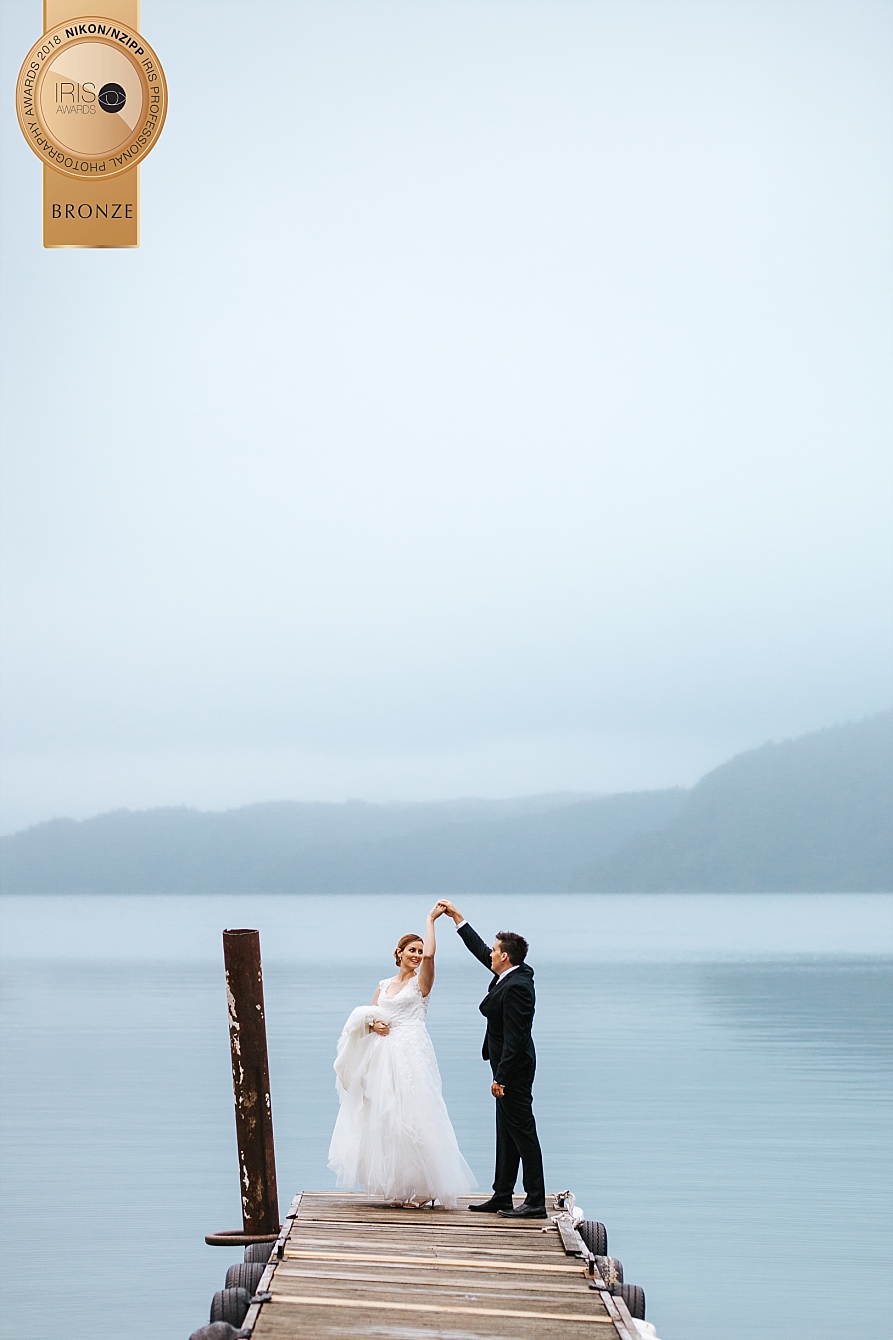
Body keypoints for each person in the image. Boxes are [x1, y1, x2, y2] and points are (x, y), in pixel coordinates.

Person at [327, 904, 476, 1208]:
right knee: (386, 1117)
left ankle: (426, 1187)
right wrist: (373, 1024)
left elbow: (432, 956)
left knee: (417, 1114)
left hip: (412, 1051)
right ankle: (400, 1185)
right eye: (411, 949)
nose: (417, 955)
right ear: (398, 953)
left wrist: (431, 920)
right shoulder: (383, 985)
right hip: (383, 1056)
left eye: (420, 950)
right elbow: (371, 1016)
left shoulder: (421, 982)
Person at [436, 900, 546, 1218]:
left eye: (495, 950)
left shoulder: (518, 988)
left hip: (514, 1069)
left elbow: (516, 1037)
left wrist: (502, 1078)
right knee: (506, 1130)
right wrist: (458, 919)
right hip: (505, 1066)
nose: (491, 953)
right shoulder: (509, 974)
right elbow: (480, 949)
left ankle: (536, 1200)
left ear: (505, 956)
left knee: (522, 1131)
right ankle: (502, 1194)